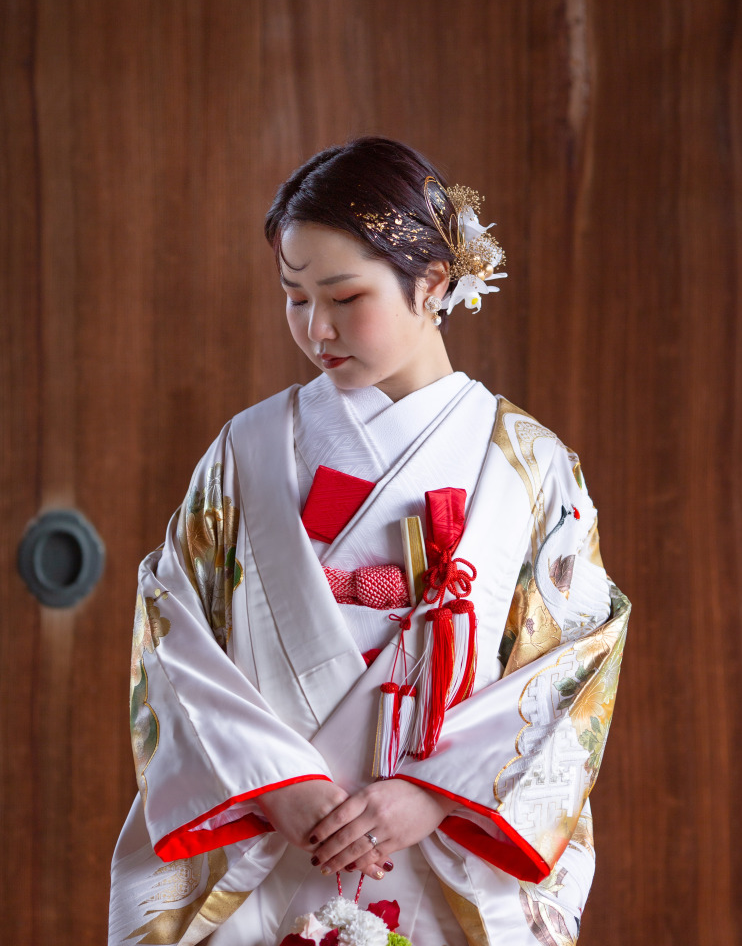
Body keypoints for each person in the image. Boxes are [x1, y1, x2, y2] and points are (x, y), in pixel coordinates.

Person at [109, 138, 630, 946]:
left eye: (344, 296)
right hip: (271, 831)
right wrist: (279, 784)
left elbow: (573, 662)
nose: (317, 328)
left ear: (433, 284)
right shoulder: (244, 454)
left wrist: (436, 795)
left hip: (441, 845)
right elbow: (171, 632)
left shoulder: (529, 468)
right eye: (293, 297)